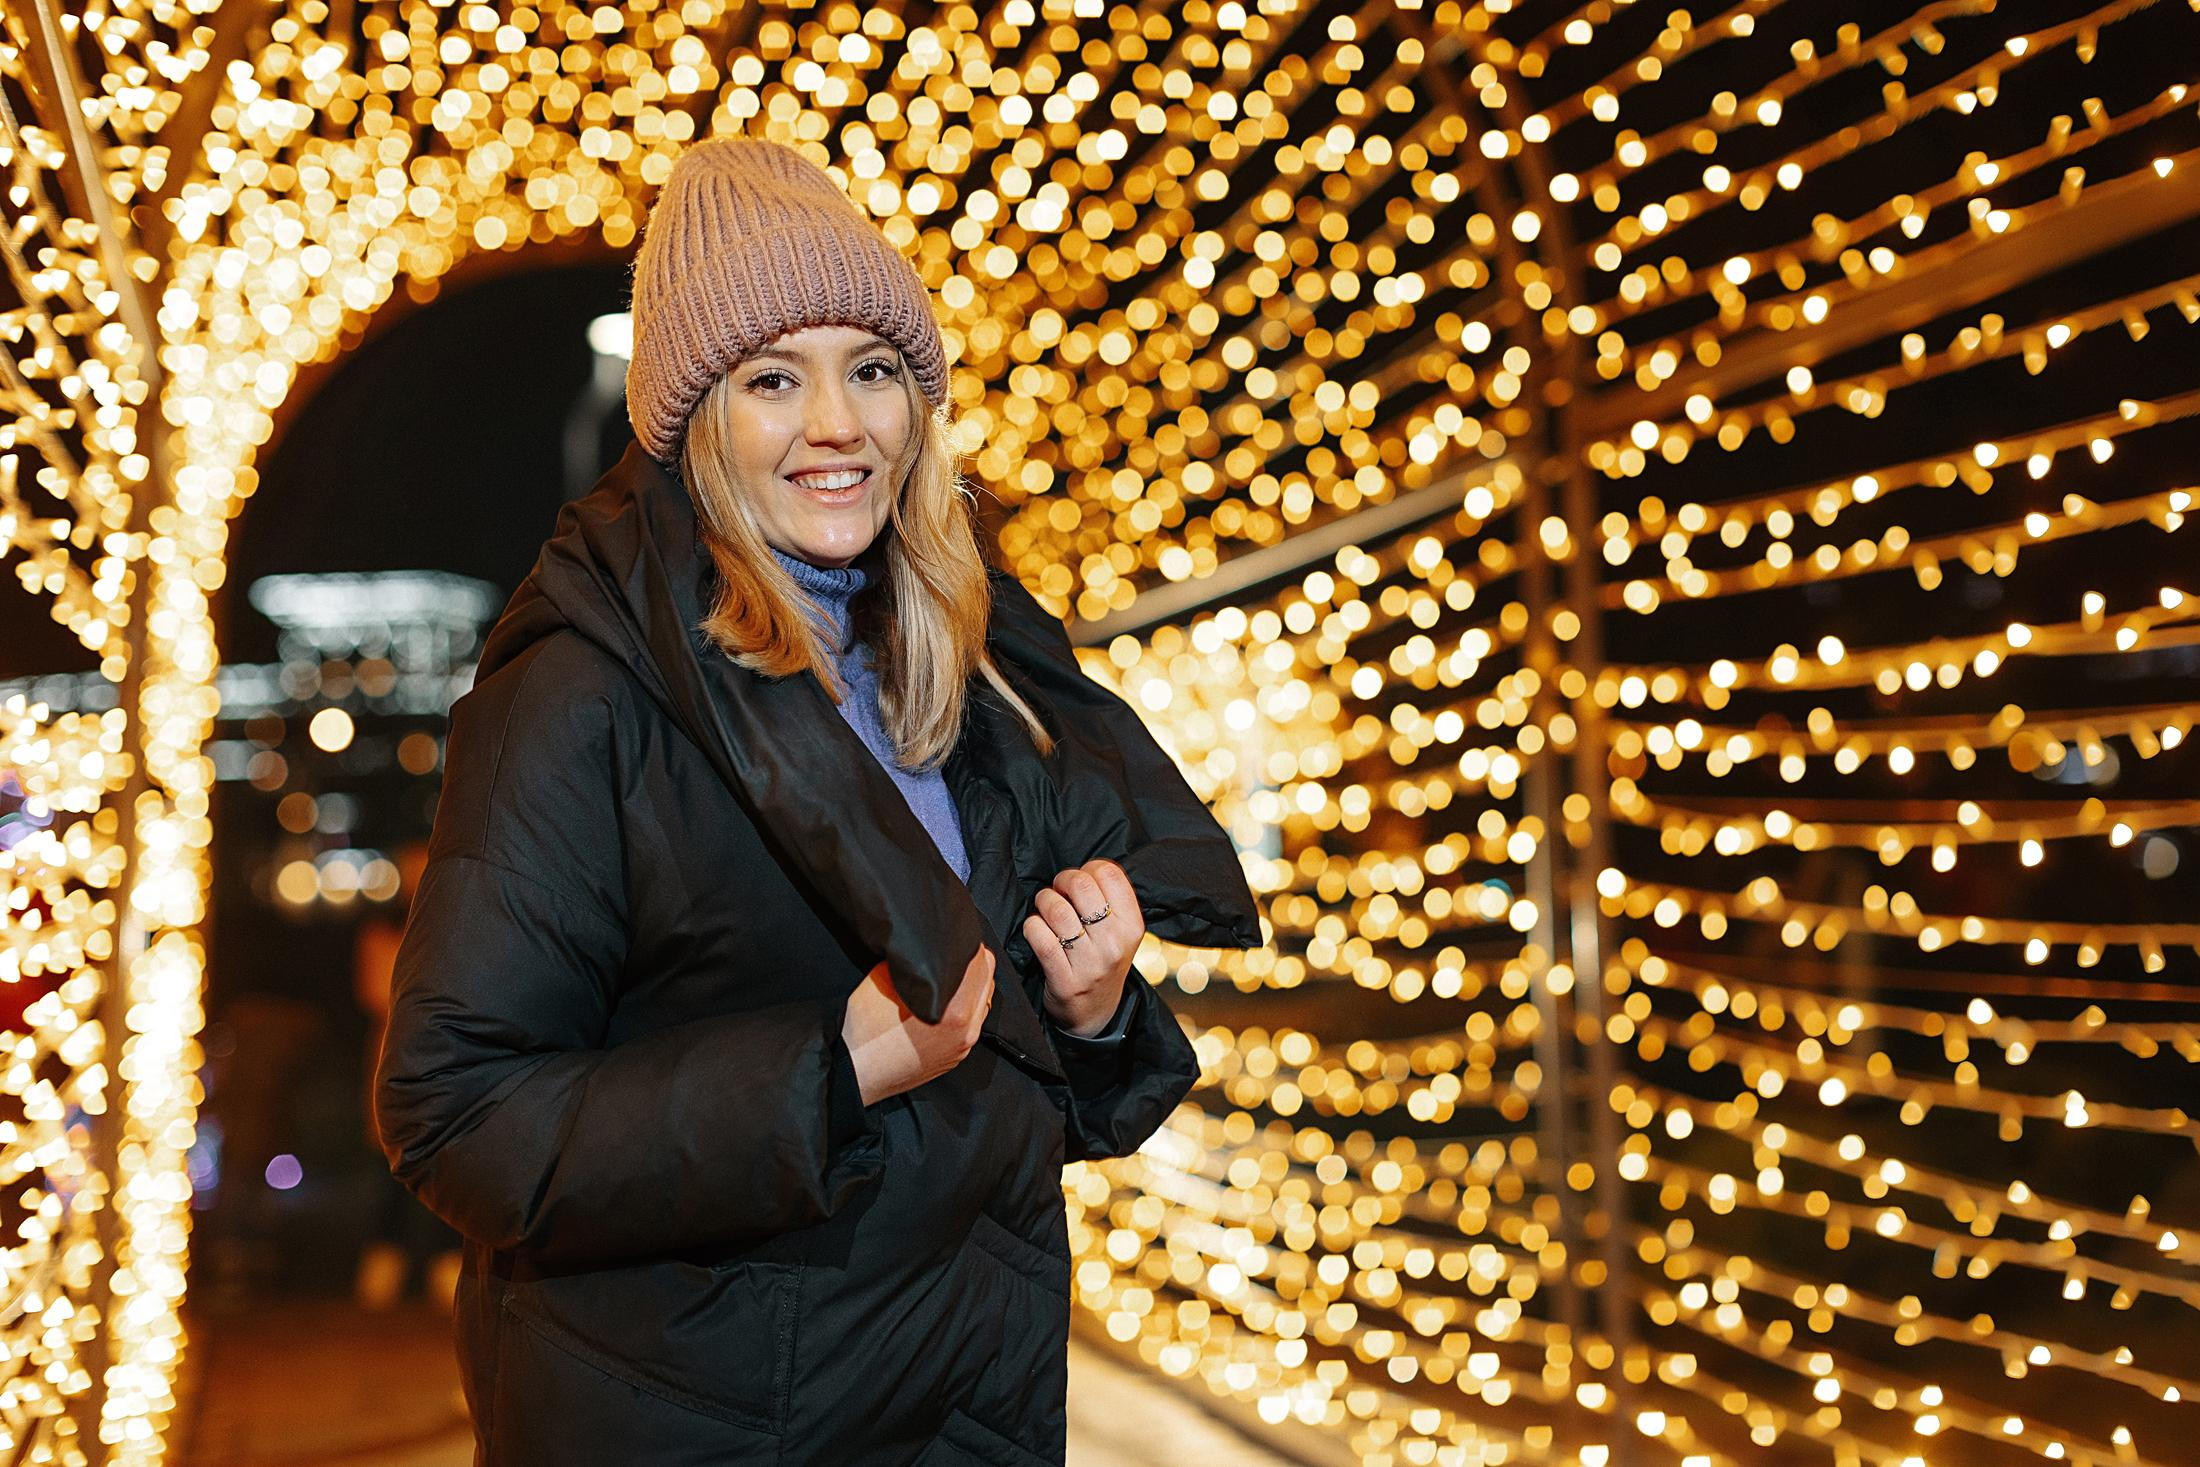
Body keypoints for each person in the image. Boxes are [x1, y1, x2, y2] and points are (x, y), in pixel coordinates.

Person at [373, 136, 1261, 1466]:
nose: (836, 425)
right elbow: (457, 1118)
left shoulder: (966, 669)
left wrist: (1084, 1013)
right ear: (691, 417)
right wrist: (824, 1073)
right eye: (773, 378)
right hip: (704, 1426)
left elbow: (991, 1081)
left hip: (966, 1408)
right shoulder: (586, 694)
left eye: (875, 370)